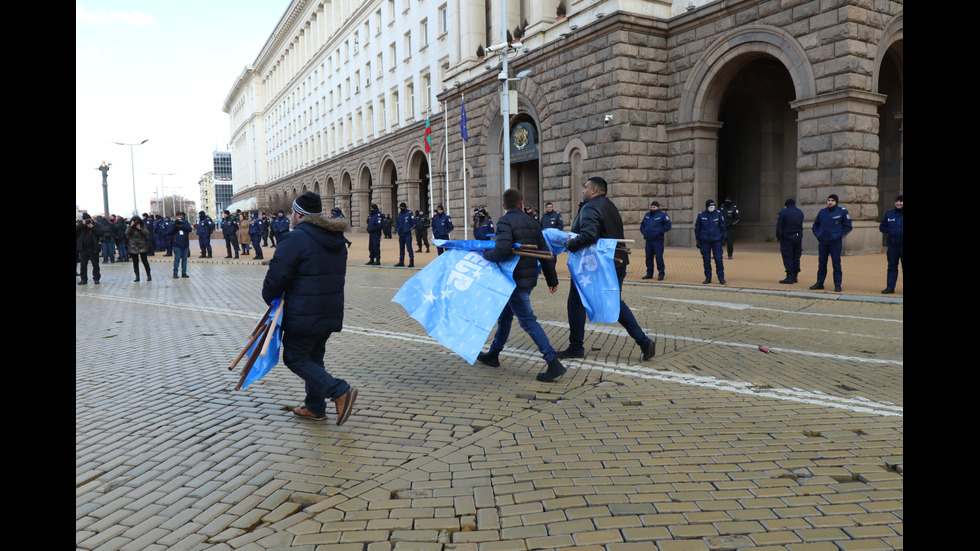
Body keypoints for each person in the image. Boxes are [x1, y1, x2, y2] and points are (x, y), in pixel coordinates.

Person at [261, 191, 358, 424]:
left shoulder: (295, 239)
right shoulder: (336, 238)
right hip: (329, 310)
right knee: (313, 358)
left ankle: (339, 390)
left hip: (303, 312)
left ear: (298, 214)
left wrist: (270, 297)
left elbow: (277, 275)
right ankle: (315, 408)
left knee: (295, 358)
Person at [557, 177, 656, 362]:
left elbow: (589, 234)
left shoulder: (591, 207)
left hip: (593, 266)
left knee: (576, 303)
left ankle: (576, 347)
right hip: (615, 263)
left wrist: (570, 244)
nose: (583, 191)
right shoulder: (609, 205)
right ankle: (643, 341)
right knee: (614, 302)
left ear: (594, 190)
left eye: (585, 188)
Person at [477, 188, 565, 382]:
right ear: (522, 204)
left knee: (527, 321)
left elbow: (501, 250)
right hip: (528, 278)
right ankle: (493, 354)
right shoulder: (533, 222)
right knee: (506, 316)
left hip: (512, 279)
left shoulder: (505, 221)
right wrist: (552, 280)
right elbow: (546, 253)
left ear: (504, 206)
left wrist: (485, 255)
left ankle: (553, 362)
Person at [810, 193, 852, 292]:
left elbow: (848, 227)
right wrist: (819, 235)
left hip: (835, 243)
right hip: (823, 242)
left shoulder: (842, 212)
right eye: (829, 200)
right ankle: (820, 283)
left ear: (836, 202)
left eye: (832, 200)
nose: (830, 202)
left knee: (836, 264)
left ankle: (837, 284)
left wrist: (838, 236)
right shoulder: (822, 212)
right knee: (822, 263)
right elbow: (815, 226)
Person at [695, 199, 726, 285]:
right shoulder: (701, 215)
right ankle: (708, 277)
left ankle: (721, 278)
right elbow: (697, 228)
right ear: (707, 206)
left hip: (716, 241)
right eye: (710, 205)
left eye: (713, 205)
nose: (712, 207)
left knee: (719, 259)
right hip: (705, 241)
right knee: (706, 260)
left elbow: (722, 226)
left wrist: (723, 237)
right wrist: (698, 240)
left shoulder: (718, 214)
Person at [639, 201, 671, 280]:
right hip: (648, 240)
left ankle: (661, 273)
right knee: (648, 258)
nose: (652, 209)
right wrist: (644, 232)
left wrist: (660, 232)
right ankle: (649, 273)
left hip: (657, 240)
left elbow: (668, 225)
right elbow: (642, 225)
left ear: (658, 207)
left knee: (659, 257)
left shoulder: (662, 215)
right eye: (651, 207)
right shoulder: (647, 215)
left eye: (654, 207)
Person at [775, 198, 805, 284]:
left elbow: (779, 226)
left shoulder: (782, 212)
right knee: (796, 256)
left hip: (787, 237)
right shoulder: (800, 212)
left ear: (786, 205)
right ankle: (795, 275)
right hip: (798, 237)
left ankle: (789, 276)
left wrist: (779, 237)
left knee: (788, 256)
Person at [879, 194, 903, 294]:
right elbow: (882, 227)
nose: (898, 203)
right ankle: (890, 287)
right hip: (893, 245)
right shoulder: (889, 214)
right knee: (892, 267)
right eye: (897, 201)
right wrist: (890, 231)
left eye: (900, 201)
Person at [76, 213, 102, 285]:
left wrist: (92, 227)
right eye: (85, 220)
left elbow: (101, 233)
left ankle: (96, 278)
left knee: (95, 264)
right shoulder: (80, 226)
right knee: (83, 264)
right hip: (83, 248)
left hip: (93, 248)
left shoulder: (95, 225)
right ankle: (83, 279)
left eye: (88, 219)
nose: (87, 221)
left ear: (90, 219)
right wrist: (82, 225)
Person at [125, 215, 152, 282]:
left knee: (145, 261)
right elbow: (126, 233)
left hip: (142, 245)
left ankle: (148, 275)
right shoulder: (130, 227)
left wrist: (140, 228)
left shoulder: (142, 226)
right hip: (133, 246)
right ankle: (137, 276)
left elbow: (147, 233)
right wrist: (131, 226)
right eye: (134, 221)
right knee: (135, 263)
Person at [168, 211, 193, 278]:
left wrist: (182, 226)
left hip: (185, 244)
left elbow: (190, 229)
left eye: (181, 216)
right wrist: (175, 226)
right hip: (177, 244)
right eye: (178, 216)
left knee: (184, 259)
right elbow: (169, 232)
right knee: (177, 259)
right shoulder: (173, 223)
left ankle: (184, 272)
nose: (180, 217)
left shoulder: (185, 223)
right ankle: (175, 273)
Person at [395, 203, 416, 267]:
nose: (401, 208)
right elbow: (398, 223)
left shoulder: (409, 213)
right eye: (400, 207)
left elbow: (413, 223)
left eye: (403, 207)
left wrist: (409, 229)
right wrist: (398, 230)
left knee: (409, 248)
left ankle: (411, 261)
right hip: (401, 234)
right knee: (401, 248)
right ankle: (401, 261)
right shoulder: (399, 215)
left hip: (407, 234)